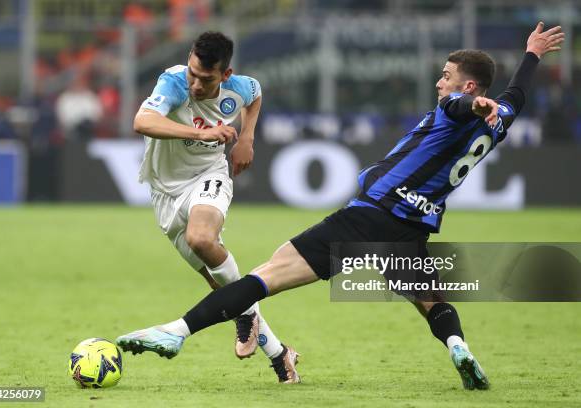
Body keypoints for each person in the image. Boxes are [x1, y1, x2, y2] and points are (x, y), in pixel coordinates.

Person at [117, 22, 564, 388]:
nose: (438, 82)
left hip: (370, 214)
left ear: (466, 84)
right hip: (412, 227)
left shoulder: (457, 106)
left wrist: (471, 101)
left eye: (446, 76)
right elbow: (518, 95)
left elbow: (462, 106)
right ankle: (458, 348)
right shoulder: (500, 118)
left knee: (265, 275)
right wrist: (532, 55)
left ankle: (177, 332)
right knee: (430, 300)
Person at [116, 32, 298, 383]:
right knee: (224, 289)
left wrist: (246, 138)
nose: (196, 85)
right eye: (193, 74)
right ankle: (280, 354)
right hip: (165, 192)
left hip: (208, 175)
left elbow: (255, 93)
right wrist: (201, 133)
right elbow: (142, 121)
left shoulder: (238, 89)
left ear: (225, 75)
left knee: (202, 238)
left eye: (207, 79)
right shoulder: (173, 82)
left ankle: (246, 319)